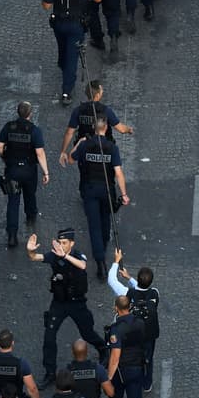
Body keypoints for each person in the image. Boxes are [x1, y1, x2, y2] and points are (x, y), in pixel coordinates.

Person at [27, 230, 107, 387]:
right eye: (60, 242)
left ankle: (103, 349)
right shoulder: (54, 254)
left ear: (72, 243)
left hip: (77, 303)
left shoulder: (77, 255)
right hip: (59, 303)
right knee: (49, 337)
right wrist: (30, 251)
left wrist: (65, 256)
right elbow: (36, 257)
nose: (61, 246)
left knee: (87, 333)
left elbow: (83, 265)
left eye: (64, 243)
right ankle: (50, 372)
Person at [69, 116, 130, 279]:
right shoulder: (111, 147)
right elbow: (118, 173)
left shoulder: (85, 145)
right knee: (105, 218)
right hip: (107, 189)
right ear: (106, 128)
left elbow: (70, 159)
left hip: (89, 189)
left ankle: (100, 262)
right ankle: (103, 243)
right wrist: (124, 194)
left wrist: (78, 143)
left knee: (94, 226)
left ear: (93, 129)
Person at [41, 0, 101, 107]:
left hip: (59, 24)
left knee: (62, 47)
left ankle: (62, 64)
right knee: (72, 58)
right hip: (76, 25)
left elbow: (46, 5)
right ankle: (66, 91)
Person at [0, 102, 50, 248]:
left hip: (12, 169)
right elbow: (40, 153)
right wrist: (46, 172)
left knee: (13, 202)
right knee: (30, 194)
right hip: (29, 170)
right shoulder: (34, 130)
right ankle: (31, 215)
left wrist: (5, 158)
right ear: (30, 114)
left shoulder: (8, 127)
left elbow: (0, 146)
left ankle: (12, 235)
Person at [107, 249, 160, 392]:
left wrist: (116, 262)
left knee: (132, 355)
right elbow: (143, 288)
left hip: (134, 332)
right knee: (148, 358)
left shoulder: (127, 294)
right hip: (150, 333)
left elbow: (111, 280)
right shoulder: (154, 293)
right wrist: (129, 278)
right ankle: (147, 383)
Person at [102, 295, 146, 398]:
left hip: (121, 371)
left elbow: (115, 357)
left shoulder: (116, 329)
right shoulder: (140, 323)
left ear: (116, 308)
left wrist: (108, 378)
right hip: (137, 367)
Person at [57, 80, 133, 163]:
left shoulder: (78, 110)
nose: (102, 92)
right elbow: (121, 129)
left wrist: (63, 151)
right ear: (97, 95)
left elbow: (69, 132)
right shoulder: (106, 111)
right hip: (103, 149)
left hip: (85, 149)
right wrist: (129, 129)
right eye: (101, 90)